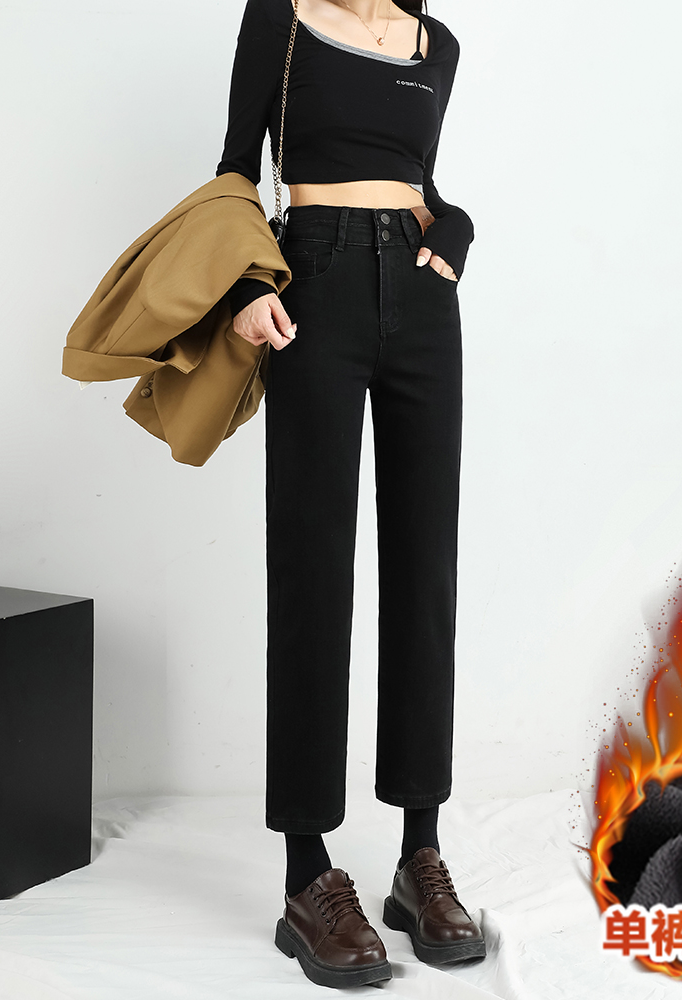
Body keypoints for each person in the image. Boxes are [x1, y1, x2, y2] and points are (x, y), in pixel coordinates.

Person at [215, 0, 484, 986]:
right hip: (314, 283)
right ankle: (306, 873)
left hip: (421, 302)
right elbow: (234, 172)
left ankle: (420, 854)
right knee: (313, 567)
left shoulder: (436, 44)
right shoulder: (281, 17)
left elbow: (422, 184)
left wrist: (456, 230)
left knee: (425, 569)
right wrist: (247, 285)